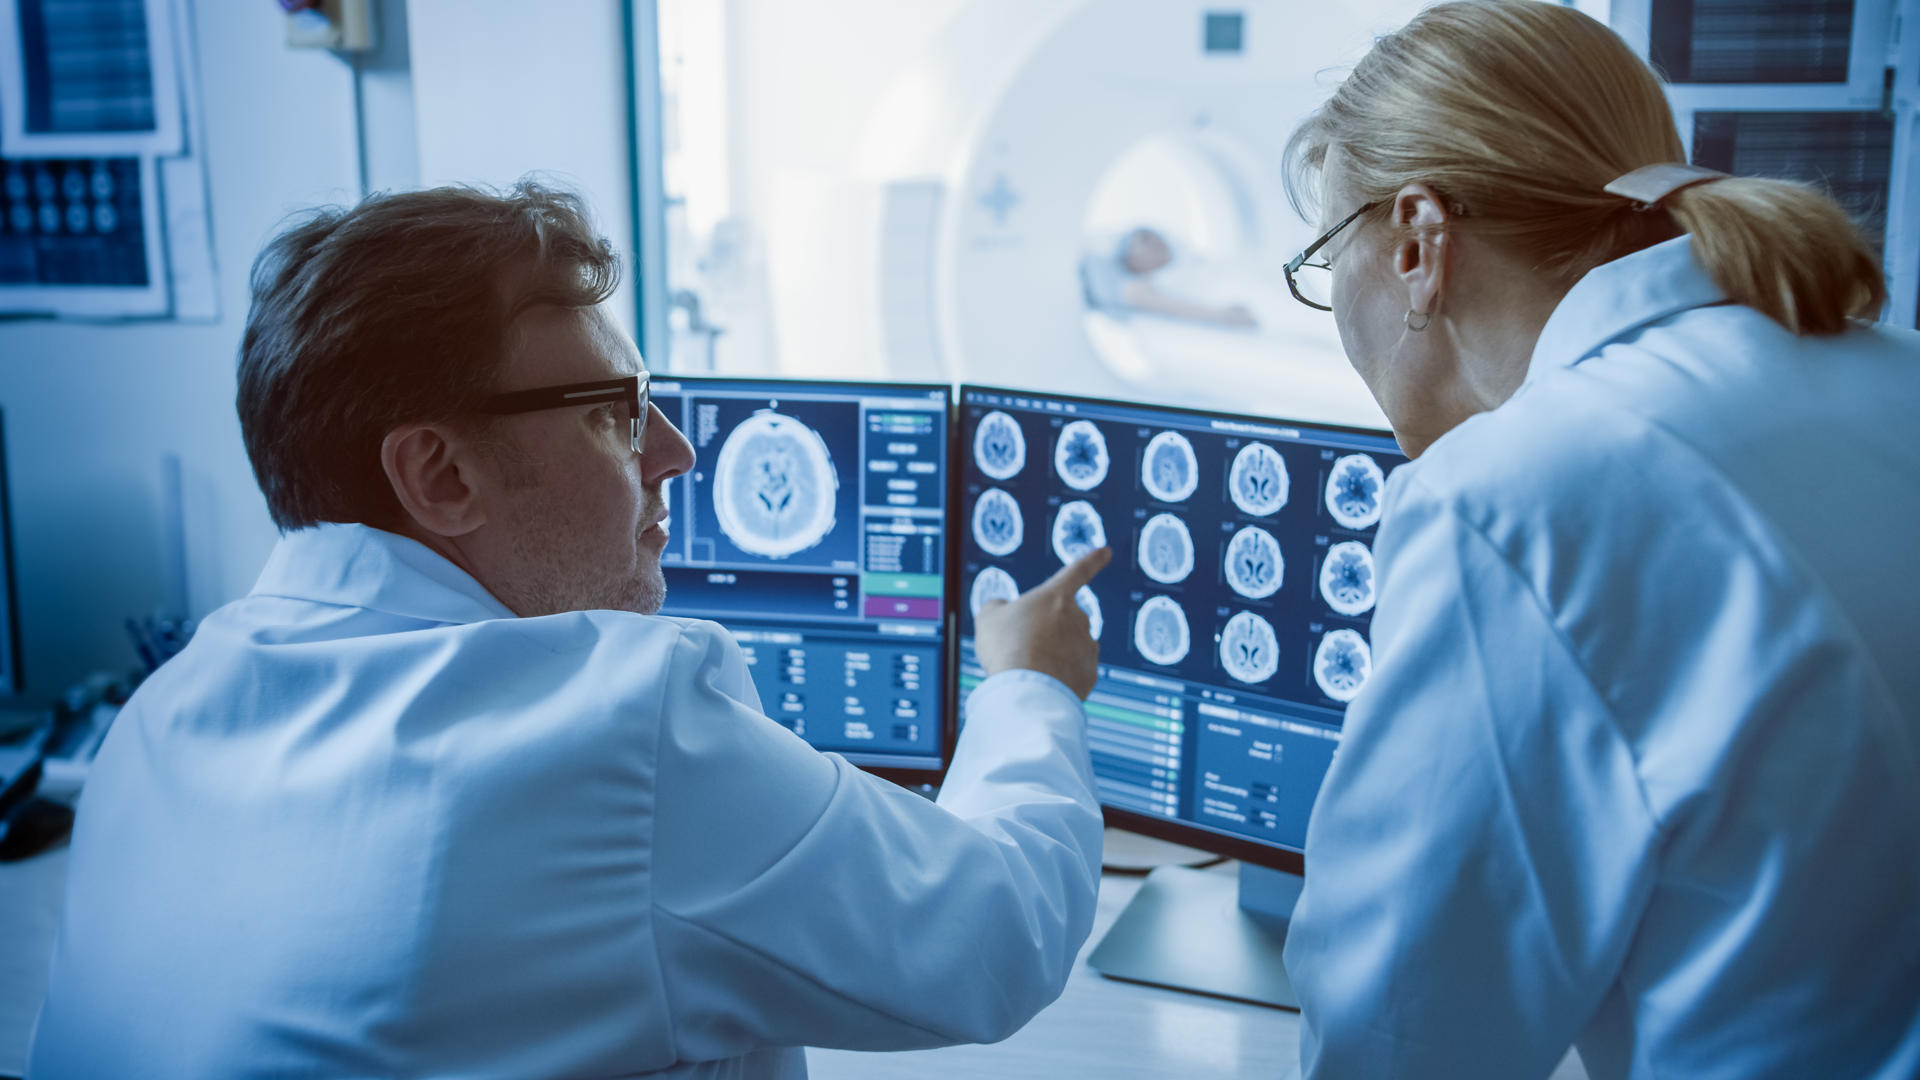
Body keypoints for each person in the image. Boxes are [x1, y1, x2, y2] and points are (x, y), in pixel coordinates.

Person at [28, 182, 1112, 1079]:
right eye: (613, 412)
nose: (674, 453)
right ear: (440, 473)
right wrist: (1029, 686)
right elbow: (996, 937)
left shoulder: (157, 719)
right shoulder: (606, 723)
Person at [1275, 3, 1920, 1078]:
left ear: (1417, 244)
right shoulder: (1896, 370)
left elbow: (1397, 1044)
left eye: (1324, 256)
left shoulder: (1511, 499)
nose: (1332, 304)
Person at [1079, 226, 1258, 328]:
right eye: (1155, 248)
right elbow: (1172, 307)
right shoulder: (1128, 286)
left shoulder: (1127, 275)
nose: (1162, 248)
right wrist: (1224, 316)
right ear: (1133, 259)